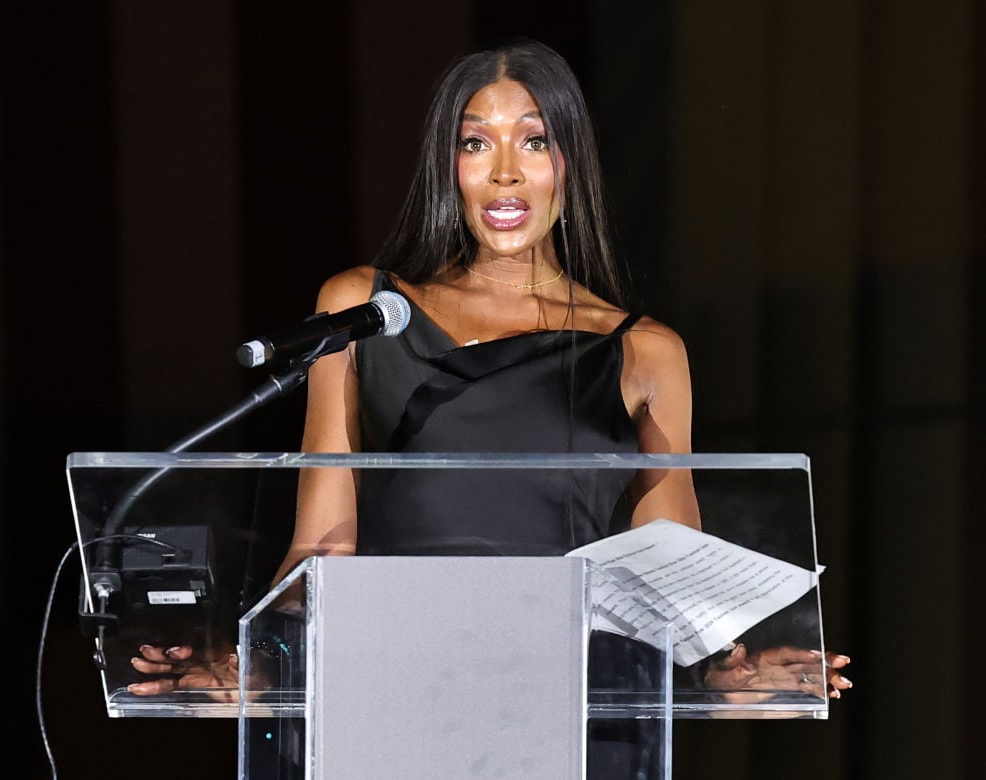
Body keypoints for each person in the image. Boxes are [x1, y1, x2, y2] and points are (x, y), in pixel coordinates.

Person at [128, 35, 852, 774]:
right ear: (451, 167)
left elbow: (673, 585)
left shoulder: (644, 350)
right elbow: (322, 551)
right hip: (395, 702)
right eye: (476, 143)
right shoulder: (366, 310)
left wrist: (718, 670)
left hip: (569, 720)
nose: (505, 172)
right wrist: (262, 665)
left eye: (534, 141)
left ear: (569, 163)